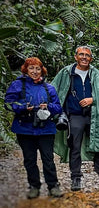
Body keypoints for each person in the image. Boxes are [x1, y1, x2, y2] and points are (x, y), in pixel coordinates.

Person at [51, 46, 99, 191]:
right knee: (75, 146)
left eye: (87, 55)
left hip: (94, 115)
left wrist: (93, 99)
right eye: (81, 54)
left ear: (91, 58)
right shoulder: (66, 73)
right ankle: (76, 178)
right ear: (76, 57)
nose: (84, 57)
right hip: (75, 115)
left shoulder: (98, 75)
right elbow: (53, 89)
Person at [4, 57, 63, 199]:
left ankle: (53, 185)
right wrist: (23, 108)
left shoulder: (49, 88)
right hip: (25, 128)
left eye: (38, 68)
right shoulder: (17, 85)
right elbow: (8, 103)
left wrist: (47, 106)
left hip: (46, 128)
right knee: (29, 159)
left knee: (48, 158)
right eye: (31, 68)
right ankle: (34, 186)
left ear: (42, 70)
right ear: (26, 69)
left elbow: (58, 107)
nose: (35, 71)